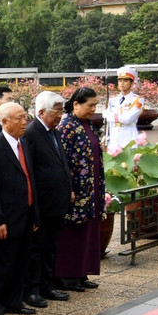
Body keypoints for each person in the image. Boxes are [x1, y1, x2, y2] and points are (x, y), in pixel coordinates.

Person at [0, 102, 39, 315]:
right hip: (5, 218)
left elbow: (30, 179)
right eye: (19, 118)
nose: (24, 122)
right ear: (5, 122)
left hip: (25, 214)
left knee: (20, 262)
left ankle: (14, 301)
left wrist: (35, 214)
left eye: (25, 117)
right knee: (2, 264)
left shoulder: (23, 144)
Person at [21, 92, 73, 308]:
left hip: (56, 202)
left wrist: (68, 187)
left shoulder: (54, 132)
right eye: (57, 111)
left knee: (50, 245)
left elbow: (61, 163)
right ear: (41, 112)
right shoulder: (31, 133)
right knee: (36, 248)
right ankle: (32, 290)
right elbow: (30, 171)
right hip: (42, 202)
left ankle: (47, 285)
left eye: (62, 110)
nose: (60, 115)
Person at [54, 87, 105, 292]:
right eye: (90, 105)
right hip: (76, 189)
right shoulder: (66, 127)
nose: (93, 109)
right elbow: (63, 161)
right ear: (76, 104)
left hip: (90, 187)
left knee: (87, 231)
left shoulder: (87, 124)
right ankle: (67, 276)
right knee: (72, 233)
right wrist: (70, 189)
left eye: (95, 105)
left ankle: (82, 272)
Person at [106, 66, 144, 152]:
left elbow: (128, 119)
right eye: (120, 81)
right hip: (113, 142)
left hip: (129, 141)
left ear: (132, 84)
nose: (122, 83)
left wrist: (110, 116)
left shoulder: (137, 100)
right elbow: (107, 122)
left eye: (125, 81)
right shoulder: (112, 100)